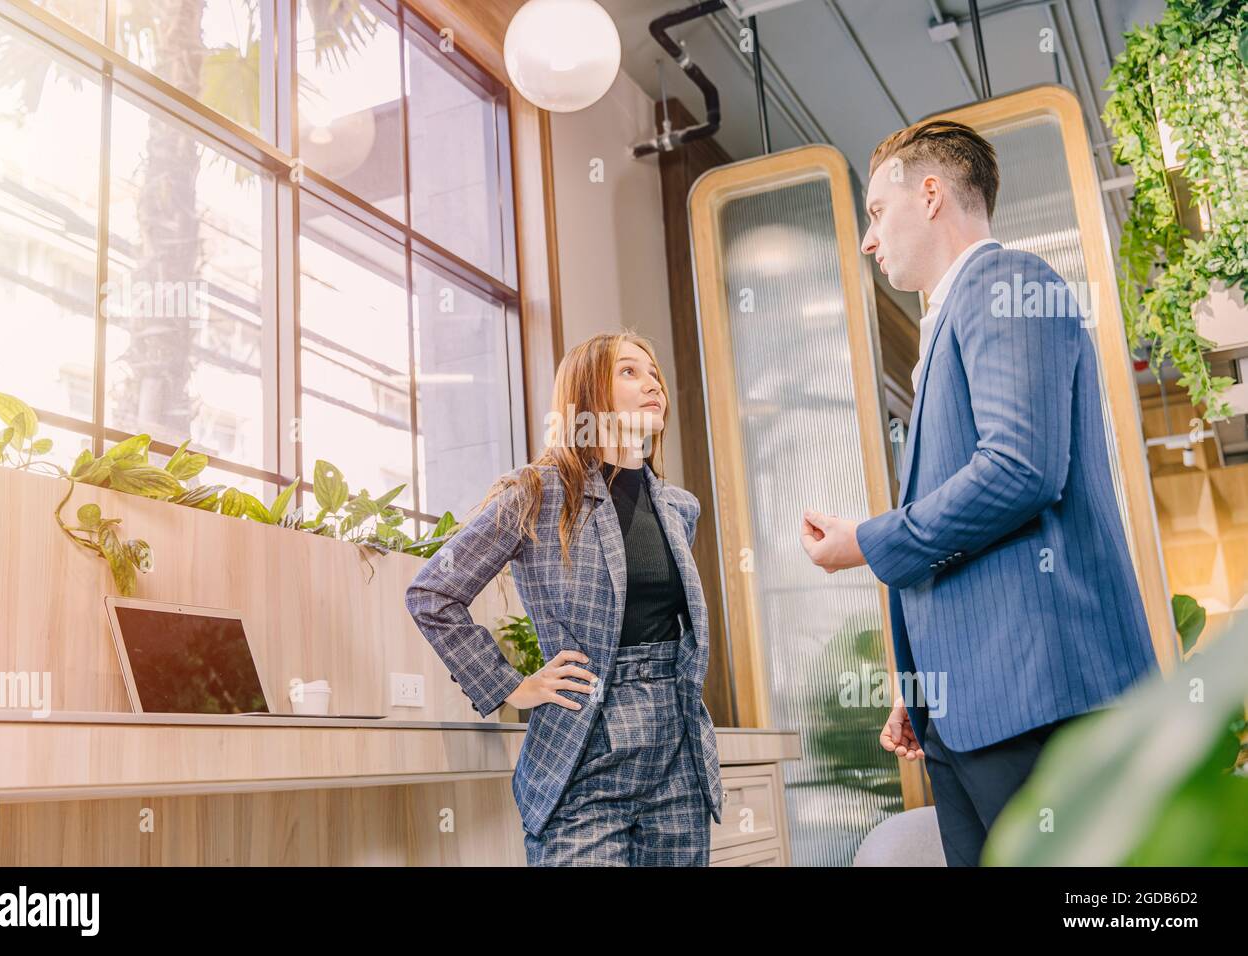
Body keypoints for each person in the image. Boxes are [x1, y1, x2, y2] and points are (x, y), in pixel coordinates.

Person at [799, 119, 1158, 865]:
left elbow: (1020, 470)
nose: (869, 242)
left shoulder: (1009, 284)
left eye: (875, 213)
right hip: (971, 710)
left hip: (1037, 699)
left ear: (929, 194)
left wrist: (867, 542)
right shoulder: (951, 323)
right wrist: (919, 685)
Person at [405, 330, 723, 866]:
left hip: (678, 761)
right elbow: (434, 592)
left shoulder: (679, 506)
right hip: (582, 757)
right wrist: (511, 686)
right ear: (587, 395)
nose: (652, 385)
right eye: (629, 372)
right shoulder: (536, 492)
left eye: (654, 373)